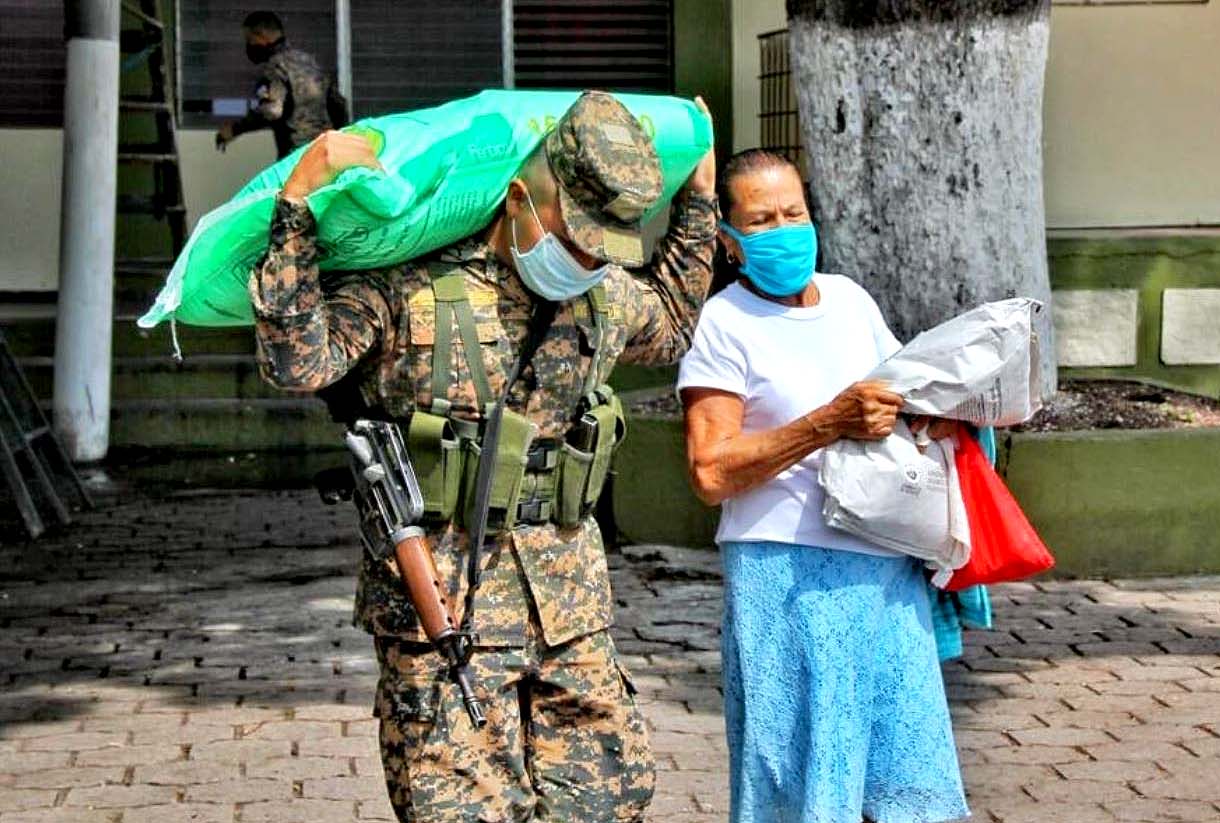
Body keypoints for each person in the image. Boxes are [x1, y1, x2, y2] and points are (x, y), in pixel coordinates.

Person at [249, 90, 716, 822]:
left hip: (569, 607)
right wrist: (296, 207)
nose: (589, 257)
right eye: (576, 235)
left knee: (609, 800)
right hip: (444, 614)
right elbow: (298, 362)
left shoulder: (605, 297)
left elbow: (675, 328)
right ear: (521, 197)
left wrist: (699, 199)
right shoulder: (411, 289)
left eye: (606, 245)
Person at [677, 149, 969, 823]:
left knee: (902, 777)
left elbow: (901, 394)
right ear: (729, 239)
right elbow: (710, 471)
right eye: (761, 220)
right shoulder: (723, 324)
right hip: (786, 575)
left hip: (884, 565)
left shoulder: (849, 300)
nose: (783, 230)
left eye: (794, 213)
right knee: (799, 782)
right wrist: (826, 422)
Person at [215, 11, 348, 158]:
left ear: (261, 37)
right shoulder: (308, 61)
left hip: (295, 155)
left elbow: (271, 111)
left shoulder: (275, 67)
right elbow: (339, 104)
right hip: (324, 150)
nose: (249, 45)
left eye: (250, 39)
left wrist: (234, 130)